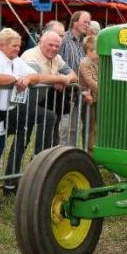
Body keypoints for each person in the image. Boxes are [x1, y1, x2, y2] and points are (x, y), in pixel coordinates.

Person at [0, 28, 56, 195]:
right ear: (2, 45)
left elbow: (35, 76)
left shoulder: (15, 60)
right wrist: (16, 79)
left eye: (19, 46)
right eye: (14, 46)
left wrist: (26, 78)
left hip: (3, 111)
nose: (18, 49)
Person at [22, 30, 78, 145]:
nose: (53, 48)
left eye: (57, 46)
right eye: (50, 45)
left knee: (47, 137)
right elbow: (36, 78)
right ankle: (16, 163)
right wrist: (58, 79)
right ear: (40, 43)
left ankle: (41, 160)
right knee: (22, 140)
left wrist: (63, 79)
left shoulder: (57, 58)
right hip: (24, 104)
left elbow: (73, 75)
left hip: (42, 103)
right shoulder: (30, 55)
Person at [59, 10, 90, 145]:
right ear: (75, 22)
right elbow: (57, 63)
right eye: (85, 22)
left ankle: (69, 156)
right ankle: (58, 155)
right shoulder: (63, 40)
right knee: (63, 128)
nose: (87, 25)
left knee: (74, 129)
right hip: (65, 92)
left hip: (80, 93)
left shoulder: (84, 43)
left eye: (89, 22)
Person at [78, 36, 98, 151]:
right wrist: (105, 90)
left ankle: (95, 150)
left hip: (96, 98)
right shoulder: (85, 63)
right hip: (88, 100)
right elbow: (90, 81)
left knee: (96, 126)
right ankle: (89, 152)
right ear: (89, 50)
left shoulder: (97, 61)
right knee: (89, 127)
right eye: (97, 50)